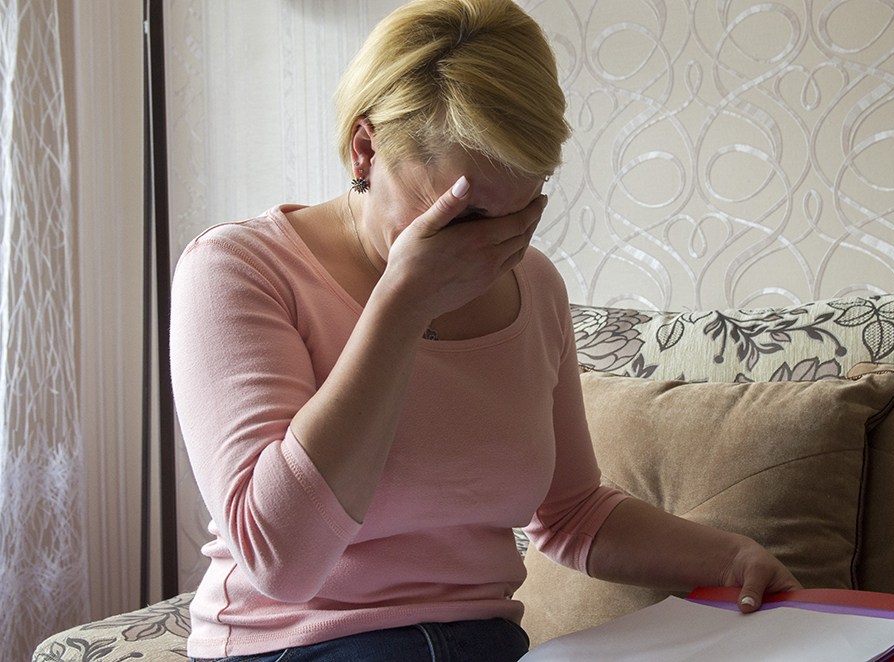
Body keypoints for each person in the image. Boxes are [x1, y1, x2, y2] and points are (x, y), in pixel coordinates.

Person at [170, 1, 801, 660]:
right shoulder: (239, 268)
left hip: (485, 644)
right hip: (294, 645)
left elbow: (572, 513)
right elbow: (281, 559)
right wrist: (401, 308)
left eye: (523, 211)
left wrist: (730, 558)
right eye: (464, 216)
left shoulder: (535, 285)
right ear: (366, 149)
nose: (489, 251)